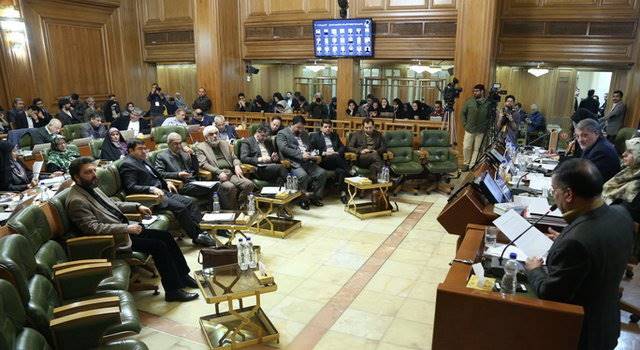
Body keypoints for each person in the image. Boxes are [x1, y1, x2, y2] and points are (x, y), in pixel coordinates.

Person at [525, 158, 633, 350]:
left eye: (554, 191)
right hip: (606, 322)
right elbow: (599, 247)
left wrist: (534, 270)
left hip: (580, 334)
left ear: (568, 194)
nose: (554, 197)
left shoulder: (576, 241)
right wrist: (563, 240)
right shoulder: (621, 214)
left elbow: (551, 293)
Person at [66, 157, 199, 302]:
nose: (94, 175)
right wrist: (126, 228)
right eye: (88, 172)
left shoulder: (92, 187)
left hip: (124, 230)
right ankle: (173, 291)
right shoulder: (76, 200)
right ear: (76, 177)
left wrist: (136, 206)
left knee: (165, 236)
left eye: (93, 170)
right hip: (113, 240)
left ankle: (183, 275)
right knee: (158, 246)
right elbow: (93, 228)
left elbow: (112, 205)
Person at [119, 140, 215, 247]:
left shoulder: (142, 160)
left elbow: (156, 176)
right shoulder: (127, 164)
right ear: (131, 150)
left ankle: (201, 230)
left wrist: (167, 182)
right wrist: (151, 189)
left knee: (189, 202)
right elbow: (131, 187)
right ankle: (197, 236)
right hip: (152, 197)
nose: (144, 151)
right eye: (140, 149)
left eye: (144, 148)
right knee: (180, 207)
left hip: (163, 191)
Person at [195, 126, 255, 210]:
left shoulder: (224, 143)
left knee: (249, 184)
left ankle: (239, 203)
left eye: (216, 133)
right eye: (211, 134)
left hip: (230, 173)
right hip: (216, 176)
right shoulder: (200, 147)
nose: (215, 136)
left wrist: (237, 165)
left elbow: (234, 158)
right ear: (206, 137)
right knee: (230, 187)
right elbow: (203, 164)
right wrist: (218, 172)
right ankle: (231, 210)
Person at [276, 115, 327, 210]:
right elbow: (283, 148)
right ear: (292, 124)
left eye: (302, 128)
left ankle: (314, 197)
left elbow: (310, 147)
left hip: (307, 160)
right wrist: (300, 154)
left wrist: (314, 155)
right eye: (298, 127)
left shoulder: (304, 134)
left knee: (322, 173)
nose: (300, 130)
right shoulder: (282, 133)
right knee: (303, 176)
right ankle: (303, 200)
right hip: (293, 162)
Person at [155, 132, 215, 200]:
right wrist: (178, 174)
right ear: (169, 144)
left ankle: (210, 209)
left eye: (180, 143)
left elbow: (196, 170)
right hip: (180, 184)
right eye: (176, 144)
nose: (179, 146)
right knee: (213, 187)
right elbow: (159, 174)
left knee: (214, 186)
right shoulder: (162, 156)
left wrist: (192, 155)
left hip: (193, 181)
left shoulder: (184, 153)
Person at [310, 120, 349, 203]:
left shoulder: (334, 135)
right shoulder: (315, 136)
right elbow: (312, 150)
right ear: (321, 128)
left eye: (329, 127)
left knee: (342, 171)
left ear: (332, 128)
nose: (328, 129)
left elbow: (342, 147)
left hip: (335, 160)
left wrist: (337, 152)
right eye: (325, 127)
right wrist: (324, 153)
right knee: (336, 157)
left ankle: (343, 193)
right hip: (323, 160)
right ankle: (349, 171)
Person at [461, 84, 491, 171]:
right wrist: (465, 124)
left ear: (482, 91)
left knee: (477, 149)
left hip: (481, 130)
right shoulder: (469, 101)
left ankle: (472, 165)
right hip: (469, 128)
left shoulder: (487, 103)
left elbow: (489, 117)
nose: (475, 93)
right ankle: (466, 163)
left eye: (477, 91)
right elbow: (463, 113)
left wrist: (486, 126)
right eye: (474, 91)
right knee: (466, 147)